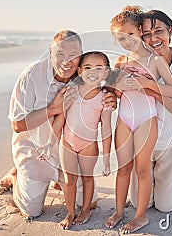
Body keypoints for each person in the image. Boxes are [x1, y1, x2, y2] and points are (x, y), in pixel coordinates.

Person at [0, 30, 117, 219]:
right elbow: (17, 125)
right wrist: (52, 108)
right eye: (60, 54)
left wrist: (112, 95)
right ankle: (16, 174)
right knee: (31, 211)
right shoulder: (31, 76)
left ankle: (59, 179)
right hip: (37, 151)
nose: (66, 61)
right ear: (50, 53)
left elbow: (110, 75)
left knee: (90, 202)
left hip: (68, 151)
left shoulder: (83, 76)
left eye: (73, 55)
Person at [105, 6, 172, 234]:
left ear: (139, 30)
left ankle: (140, 216)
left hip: (147, 119)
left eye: (130, 35)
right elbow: (114, 93)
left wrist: (146, 84)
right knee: (123, 168)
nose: (127, 42)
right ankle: (118, 211)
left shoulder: (155, 60)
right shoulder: (119, 61)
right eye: (121, 39)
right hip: (124, 119)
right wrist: (115, 86)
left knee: (142, 169)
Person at [128, 9, 172, 213]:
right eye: (147, 34)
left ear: (170, 32)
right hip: (143, 143)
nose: (153, 38)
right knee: (138, 202)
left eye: (159, 31)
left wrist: (151, 88)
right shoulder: (132, 63)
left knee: (165, 206)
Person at [56, 51, 115, 229]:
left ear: (106, 72)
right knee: (69, 180)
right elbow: (60, 118)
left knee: (88, 178)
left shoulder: (104, 98)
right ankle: (70, 212)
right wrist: (47, 145)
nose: (92, 72)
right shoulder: (71, 91)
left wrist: (106, 160)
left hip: (88, 145)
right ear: (80, 71)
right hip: (67, 141)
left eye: (98, 68)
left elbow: (106, 129)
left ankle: (86, 210)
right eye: (88, 67)